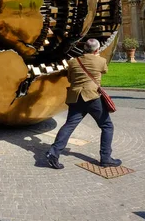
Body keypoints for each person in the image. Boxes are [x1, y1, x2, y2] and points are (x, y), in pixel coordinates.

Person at [46, 38, 121, 169]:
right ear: (97, 50)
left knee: (69, 125)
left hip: (75, 97)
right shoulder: (100, 61)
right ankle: (106, 158)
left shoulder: (73, 62)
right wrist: (96, 57)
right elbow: (104, 71)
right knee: (107, 126)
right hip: (92, 97)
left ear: (84, 48)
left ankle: (54, 152)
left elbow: (69, 78)